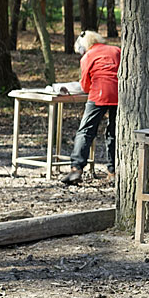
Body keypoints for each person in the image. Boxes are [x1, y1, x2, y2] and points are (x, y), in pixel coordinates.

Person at [61, 31, 121, 185]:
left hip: (99, 94)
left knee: (86, 131)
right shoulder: (116, 50)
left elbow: (85, 85)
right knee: (113, 133)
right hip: (120, 94)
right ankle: (113, 171)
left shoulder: (88, 56)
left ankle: (76, 168)